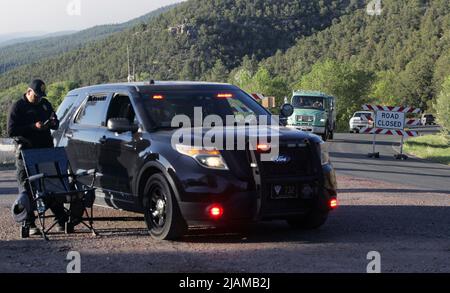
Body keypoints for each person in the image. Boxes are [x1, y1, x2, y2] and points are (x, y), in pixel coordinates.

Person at [7, 79, 65, 235]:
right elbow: (11, 130)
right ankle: (30, 223)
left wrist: (52, 122)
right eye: (36, 95)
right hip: (25, 153)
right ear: (28, 91)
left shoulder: (45, 104)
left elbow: (56, 124)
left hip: (45, 152)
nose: (38, 98)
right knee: (27, 189)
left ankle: (61, 219)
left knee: (51, 184)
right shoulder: (18, 106)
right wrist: (33, 127)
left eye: (41, 96)